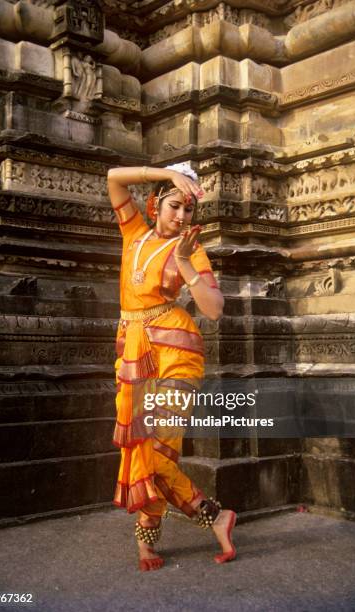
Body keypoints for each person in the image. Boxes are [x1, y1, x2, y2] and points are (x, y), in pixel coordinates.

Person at [107, 163, 237, 571]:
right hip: (132, 350)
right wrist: (163, 171)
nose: (181, 217)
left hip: (177, 352)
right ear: (155, 204)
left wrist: (184, 263)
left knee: (157, 451)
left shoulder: (191, 248)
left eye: (188, 210)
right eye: (174, 206)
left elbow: (214, 311)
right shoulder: (134, 232)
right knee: (147, 450)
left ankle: (213, 516)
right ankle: (163, 534)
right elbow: (113, 178)